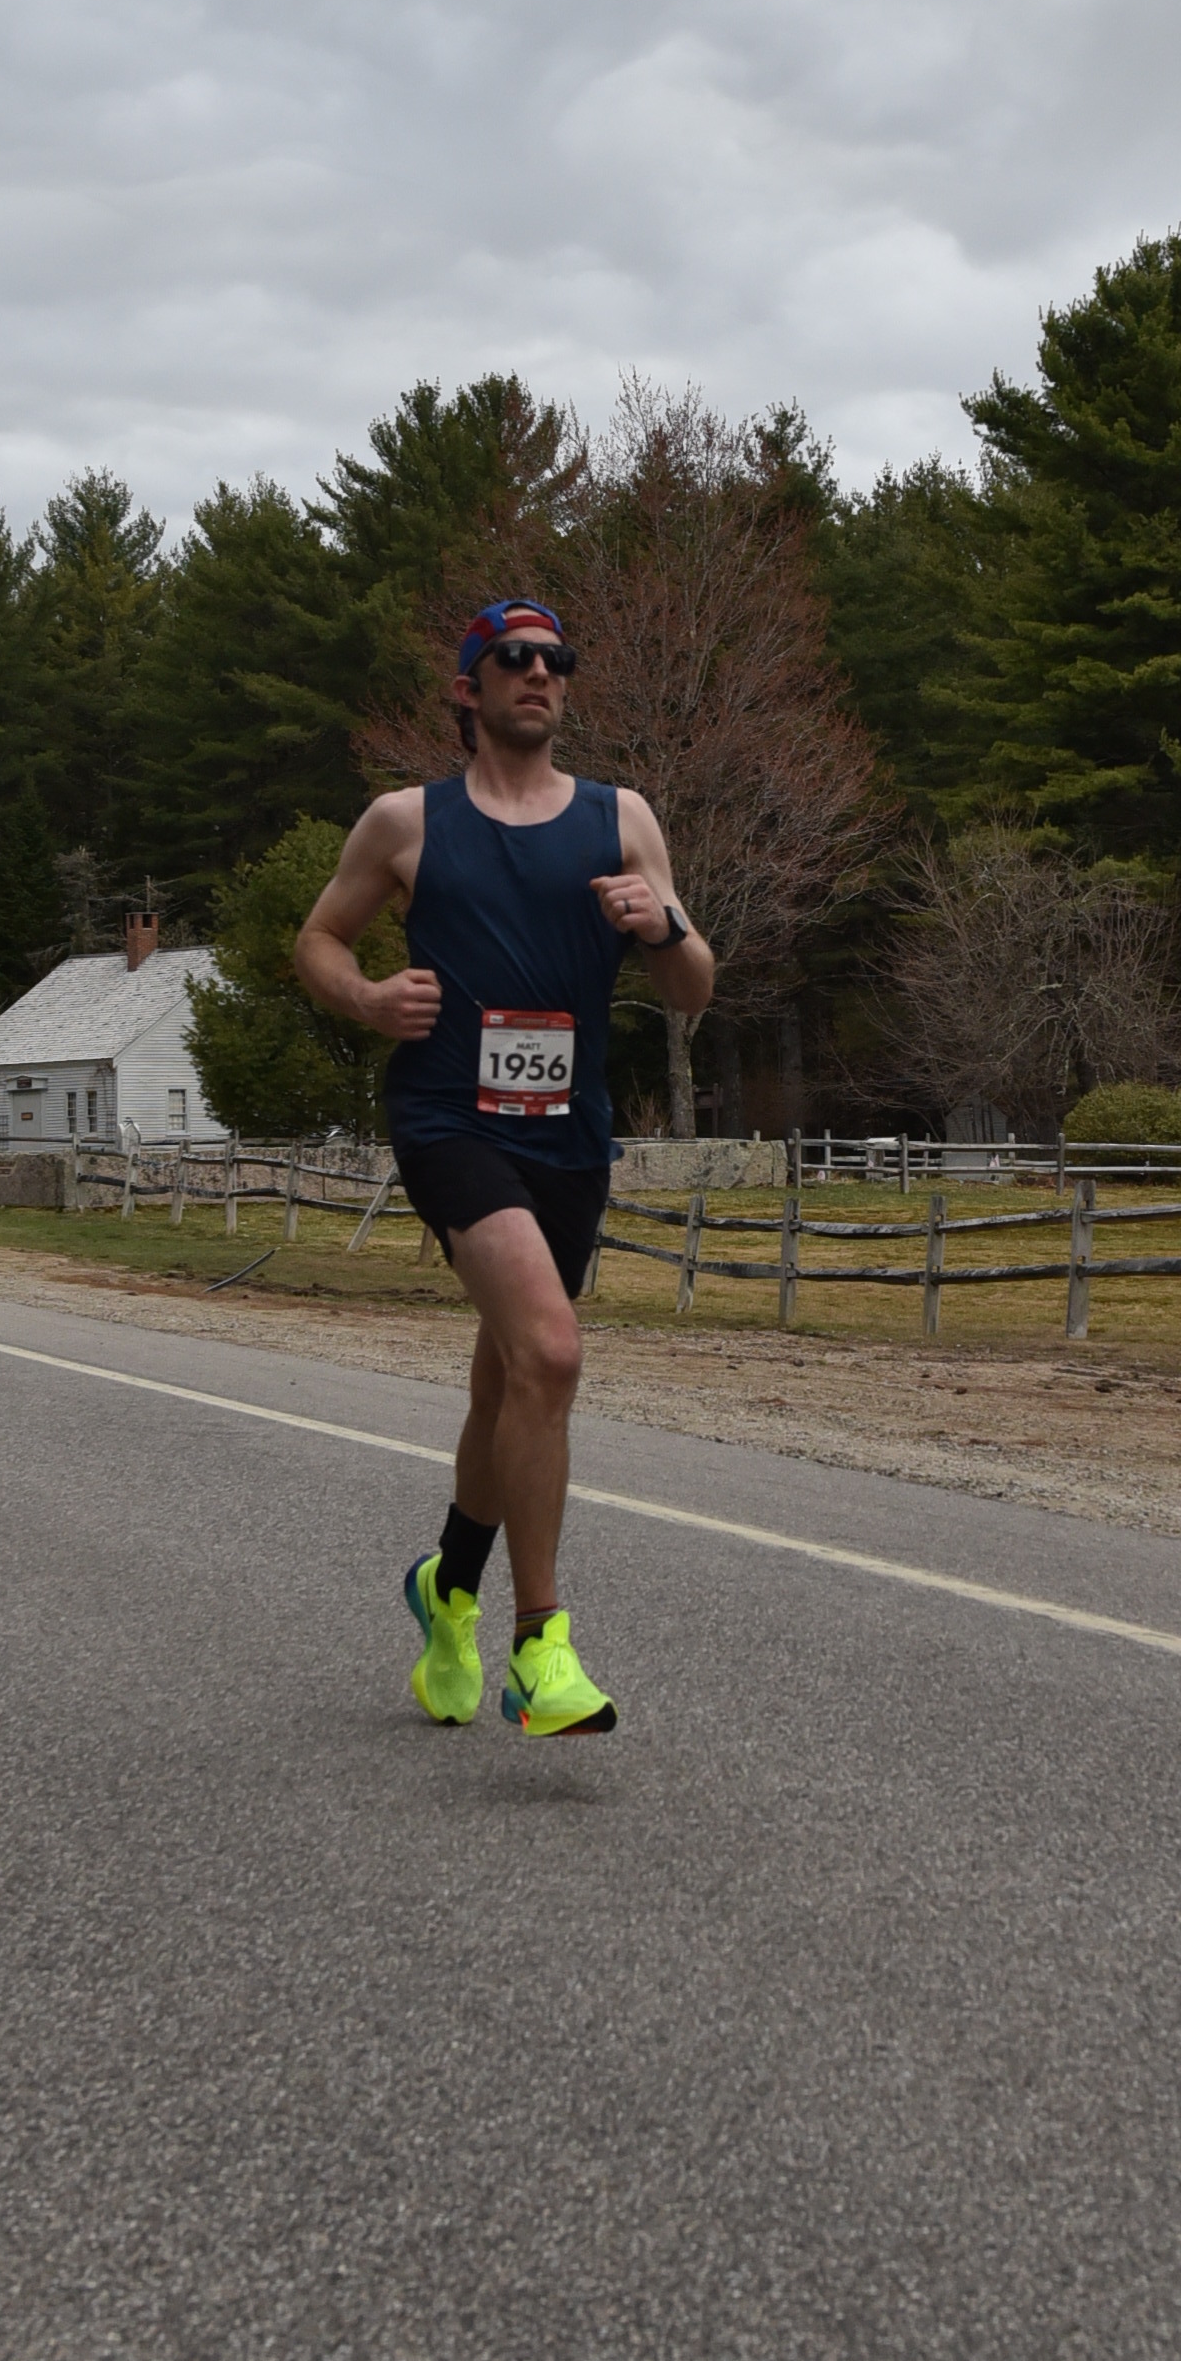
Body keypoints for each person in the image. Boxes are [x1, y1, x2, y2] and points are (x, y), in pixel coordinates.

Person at [294, 600, 712, 1735]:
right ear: (468, 688)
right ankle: (541, 1644)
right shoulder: (406, 822)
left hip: (568, 1133)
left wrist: (662, 927)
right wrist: (367, 998)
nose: (539, 673)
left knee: (508, 1383)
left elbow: (693, 990)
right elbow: (317, 939)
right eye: (513, 658)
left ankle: (448, 1589)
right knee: (552, 1350)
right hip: (449, 1120)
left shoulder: (621, 818)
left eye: (555, 659)